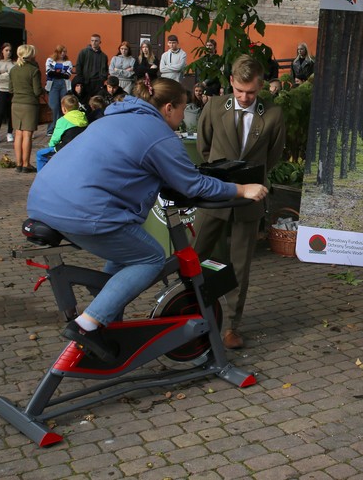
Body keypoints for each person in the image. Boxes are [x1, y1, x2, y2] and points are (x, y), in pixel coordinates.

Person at [26, 77, 268, 363]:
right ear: (169, 108)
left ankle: (110, 325)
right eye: (183, 109)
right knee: (150, 258)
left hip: (44, 200)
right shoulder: (158, 133)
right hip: (83, 211)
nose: (183, 117)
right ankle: (87, 327)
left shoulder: (112, 117)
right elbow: (194, 186)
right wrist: (242, 189)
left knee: (126, 253)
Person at [194, 54, 286, 349]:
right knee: (197, 256)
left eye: (251, 92)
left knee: (239, 266)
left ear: (260, 87)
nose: (245, 97)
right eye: (240, 90)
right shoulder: (214, 107)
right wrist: (222, 181)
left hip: (249, 203)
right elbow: (204, 148)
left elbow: (271, 157)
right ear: (231, 82)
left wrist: (251, 183)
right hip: (214, 197)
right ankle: (188, 311)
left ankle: (231, 326)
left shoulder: (272, 115)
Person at [10, 44, 43, 173]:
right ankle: (26, 164)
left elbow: (11, 89)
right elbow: (37, 91)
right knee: (28, 134)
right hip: (29, 104)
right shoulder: (34, 70)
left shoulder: (13, 69)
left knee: (18, 133)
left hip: (16, 103)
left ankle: (18, 163)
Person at [35, 94, 89, 171]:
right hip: (80, 147)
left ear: (63, 109)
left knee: (40, 155)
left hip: (64, 147)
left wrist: (51, 145)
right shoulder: (84, 117)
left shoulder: (62, 120)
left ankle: (41, 177)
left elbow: (56, 137)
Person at [45, 45, 74, 136]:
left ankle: (61, 128)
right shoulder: (50, 60)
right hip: (52, 84)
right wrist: (61, 73)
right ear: (56, 52)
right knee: (53, 106)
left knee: (64, 106)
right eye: (61, 51)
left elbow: (67, 75)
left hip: (64, 85)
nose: (62, 53)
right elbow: (49, 72)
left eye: (64, 52)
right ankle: (51, 128)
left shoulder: (68, 62)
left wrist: (56, 73)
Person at [0, 43, 16, 144]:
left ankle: (9, 133)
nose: (8, 52)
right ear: (2, 51)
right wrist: (7, 74)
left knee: (11, 113)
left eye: (10, 50)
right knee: (0, 112)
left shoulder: (14, 63)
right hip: (1, 90)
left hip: (11, 90)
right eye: (6, 50)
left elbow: (14, 76)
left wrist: (3, 74)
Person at [74, 34, 108, 104]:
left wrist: (102, 79)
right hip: (85, 82)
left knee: (96, 103)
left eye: (96, 41)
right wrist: (80, 80)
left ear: (100, 42)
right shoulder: (83, 52)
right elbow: (79, 66)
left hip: (98, 83)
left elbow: (105, 70)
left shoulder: (103, 56)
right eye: (92, 40)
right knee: (84, 103)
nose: (94, 42)